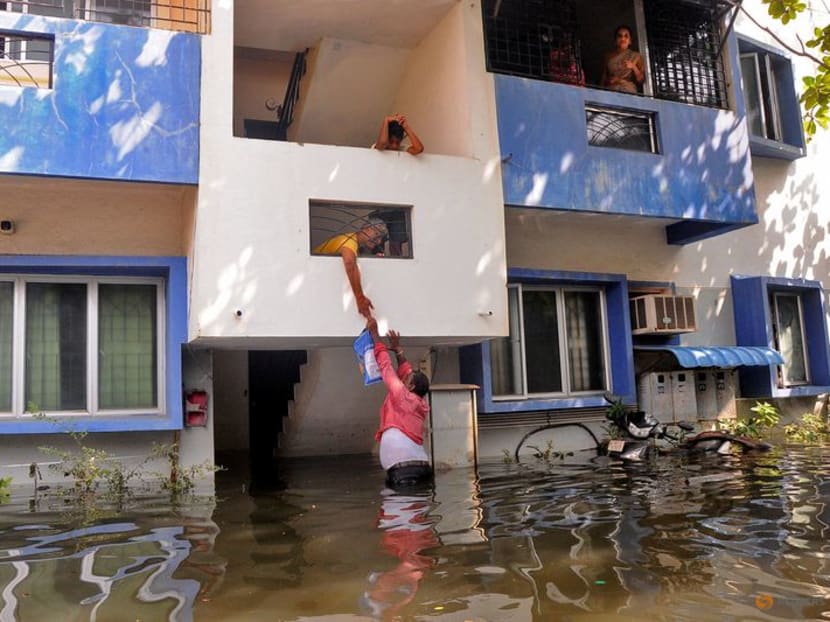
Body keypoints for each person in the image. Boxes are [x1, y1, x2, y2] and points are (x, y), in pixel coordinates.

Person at [366, 317, 433, 488]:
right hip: (421, 467)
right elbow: (407, 371)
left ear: (410, 386)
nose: (402, 379)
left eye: (406, 379)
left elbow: (385, 366)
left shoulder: (401, 395)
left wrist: (375, 335)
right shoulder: (419, 403)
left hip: (403, 471)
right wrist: (398, 350)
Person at [314, 218, 389, 319]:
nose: (378, 241)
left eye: (381, 238)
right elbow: (350, 263)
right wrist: (360, 298)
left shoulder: (356, 244)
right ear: (366, 229)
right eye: (376, 234)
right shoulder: (349, 241)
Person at [600, 25, 645, 94]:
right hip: (611, 90)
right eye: (620, 36)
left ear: (630, 41)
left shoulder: (636, 56)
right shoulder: (608, 57)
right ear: (615, 40)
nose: (623, 39)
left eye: (626, 36)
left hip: (628, 89)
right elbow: (603, 79)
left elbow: (641, 80)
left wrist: (633, 66)